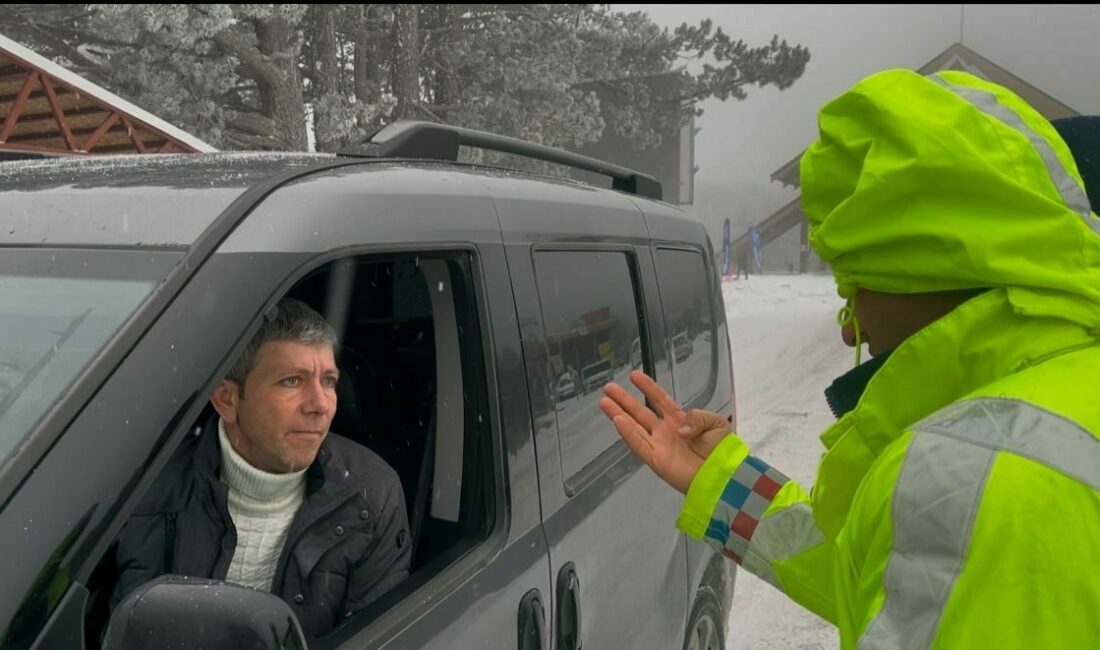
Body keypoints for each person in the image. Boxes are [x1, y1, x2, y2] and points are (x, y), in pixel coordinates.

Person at [602, 69, 1100, 648]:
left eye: (853, 286)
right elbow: (885, 576)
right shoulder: (1060, 403)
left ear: (922, 273)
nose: (850, 330)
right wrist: (720, 479)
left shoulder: (976, 472)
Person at [111, 298, 411, 640]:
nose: (321, 405)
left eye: (328, 381)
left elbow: (376, 640)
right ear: (227, 399)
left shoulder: (372, 494)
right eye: (292, 381)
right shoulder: (149, 484)